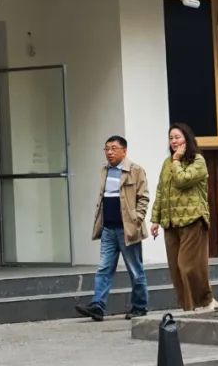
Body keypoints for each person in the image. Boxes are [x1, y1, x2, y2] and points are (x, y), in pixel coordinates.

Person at [76, 135, 150, 321]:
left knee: (135, 270)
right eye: (107, 149)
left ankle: (140, 306)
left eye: (114, 148)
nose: (109, 152)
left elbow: (143, 197)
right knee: (104, 268)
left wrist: (137, 219)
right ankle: (98, 306)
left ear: (124, 151)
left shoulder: (136, 170)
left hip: (128, 229)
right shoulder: (105, 170)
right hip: (108, 229)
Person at [150, 122, 216, 312]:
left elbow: (182, 180)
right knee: (176, 269)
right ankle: (188, 308)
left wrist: (177, 160)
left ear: (187, 139)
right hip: (170, 222)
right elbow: (161, 191)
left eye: (177, 137)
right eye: (171, 138)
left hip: (193, 219)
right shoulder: (167, 163)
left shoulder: (198, 161)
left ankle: (205, 300)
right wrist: (155, 219)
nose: (174, 141)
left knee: (187, 265)